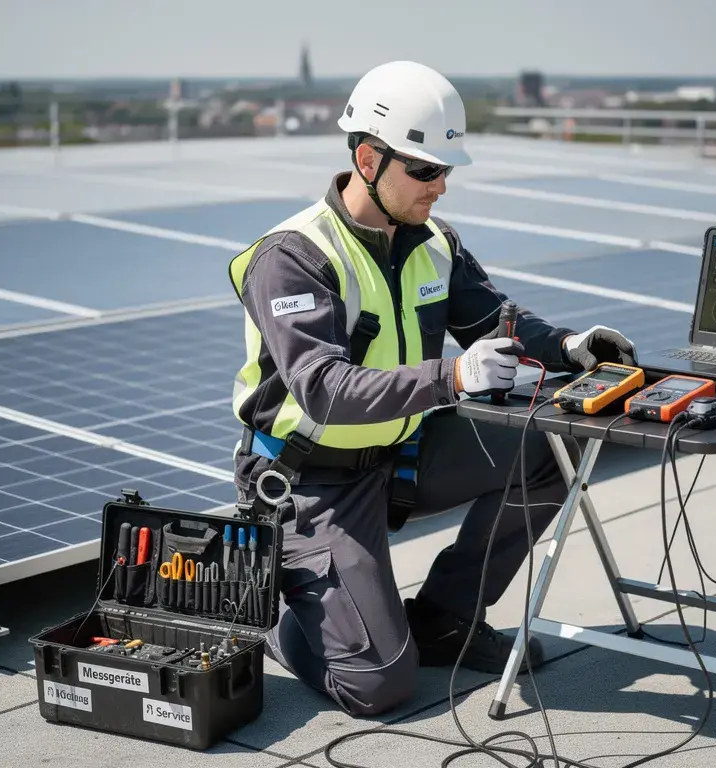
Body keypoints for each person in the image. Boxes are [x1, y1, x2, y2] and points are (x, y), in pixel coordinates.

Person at [227, 60, 636, 717]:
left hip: (399, 459)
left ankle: (446, 617)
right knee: (379, 686)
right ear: (367, 159)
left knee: (549, 448)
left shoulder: (434, 243)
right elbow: (322, 389)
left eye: (445, 170)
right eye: (424, 170)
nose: (440, 186)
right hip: (311, 483)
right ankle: (281, 619)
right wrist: (452, 376)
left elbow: (493, 321)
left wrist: (568, 346)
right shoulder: (294, 257)